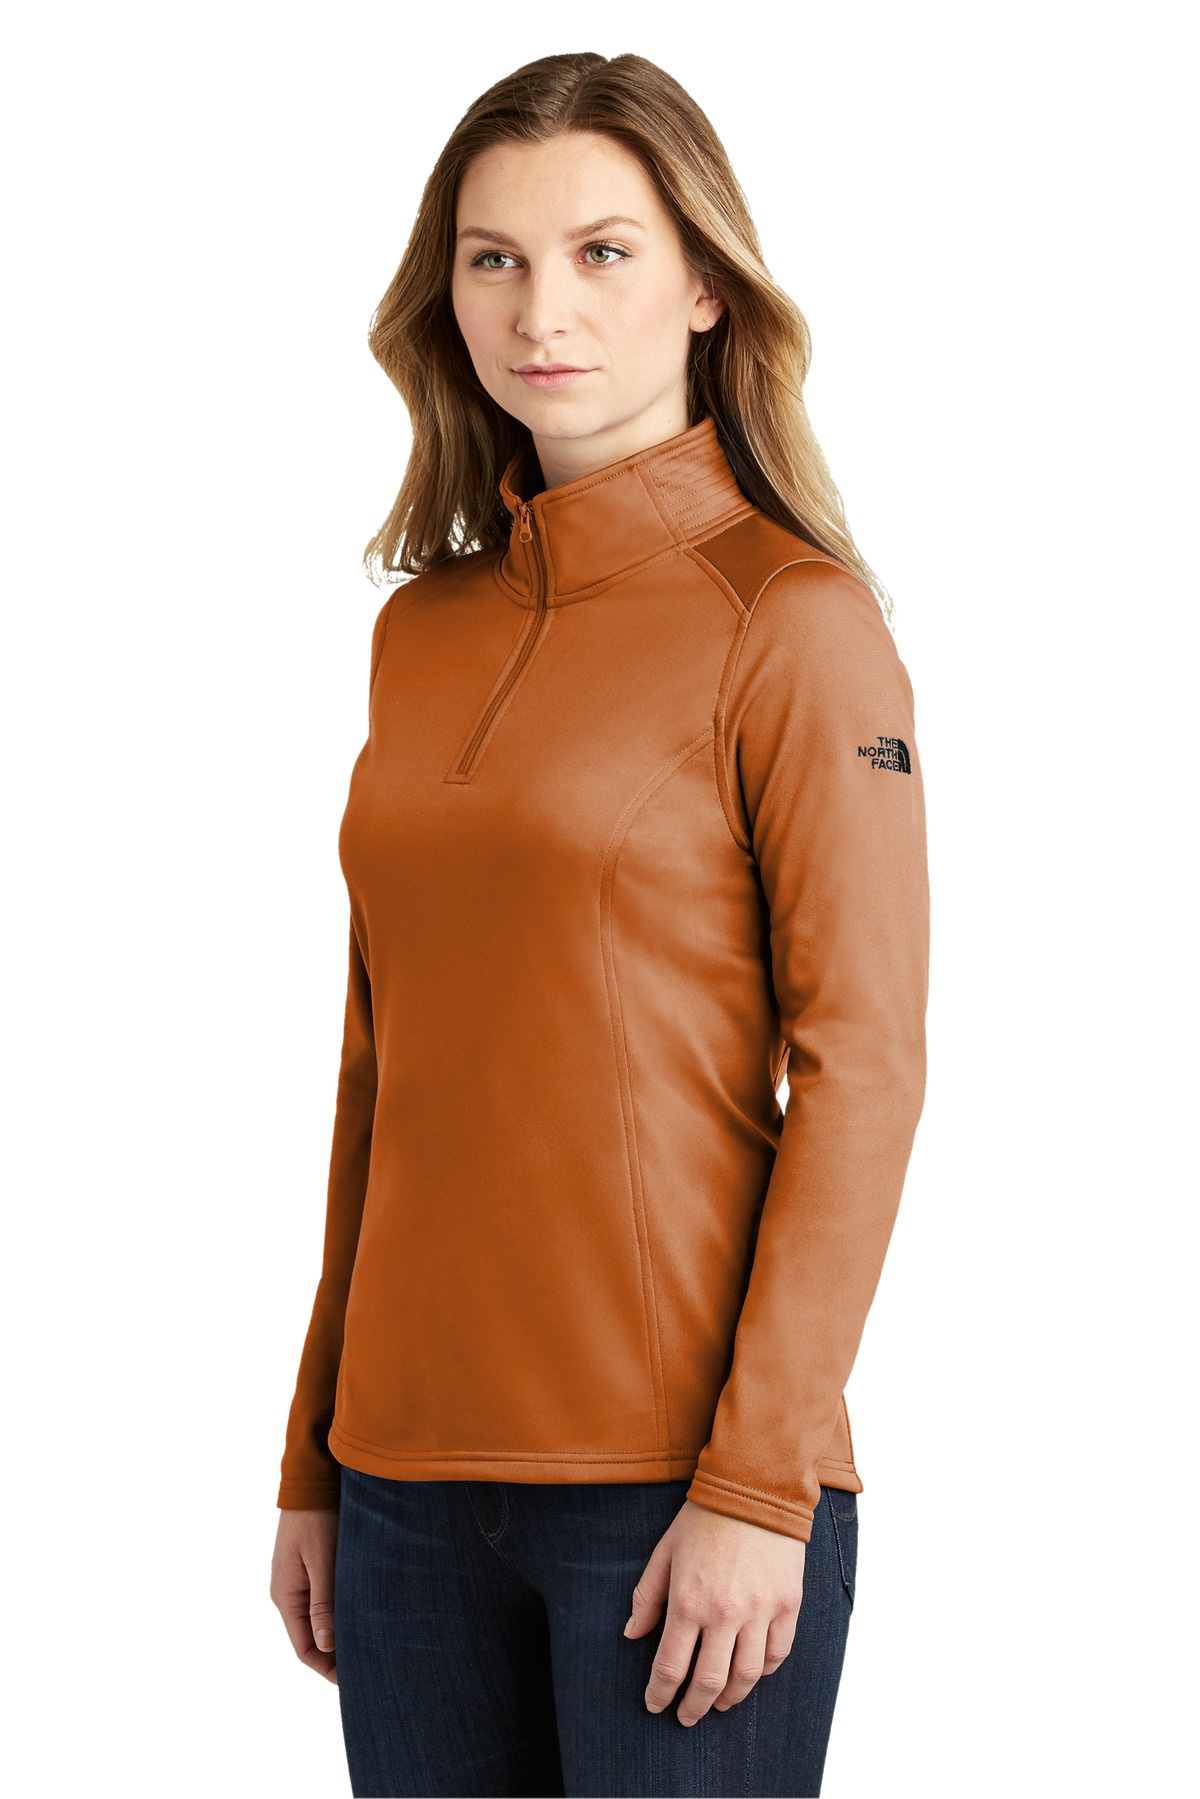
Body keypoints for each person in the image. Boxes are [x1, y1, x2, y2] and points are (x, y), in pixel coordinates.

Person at [269, 50, 930, 1799]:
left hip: (675, 1489)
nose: (538, 309)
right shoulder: (423, 632)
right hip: (402, 1489)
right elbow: (383, 1064)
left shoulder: (793, 623)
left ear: (705, 285)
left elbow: (863, 1067)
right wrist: (316, 1452)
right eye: (492, 258)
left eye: (600, 253)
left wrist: (760, 1483)